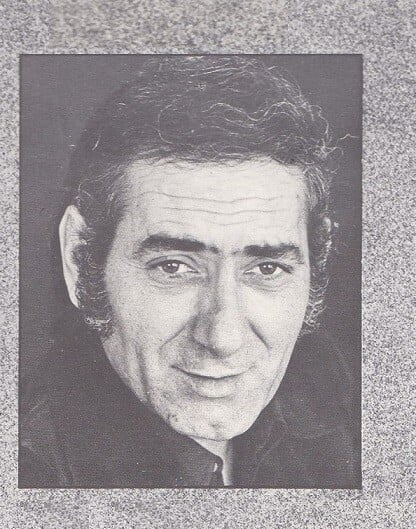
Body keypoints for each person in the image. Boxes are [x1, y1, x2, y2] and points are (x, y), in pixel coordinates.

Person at [19, 56, 359, 488]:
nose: (222, 337)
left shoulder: (346, 414)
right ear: (78, 257)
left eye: (267, 268)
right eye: (174, 267)